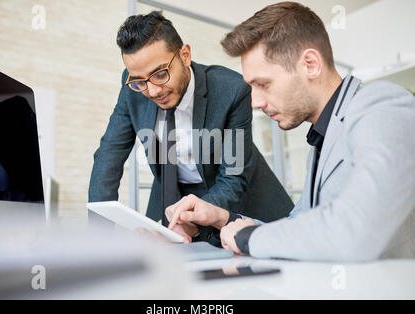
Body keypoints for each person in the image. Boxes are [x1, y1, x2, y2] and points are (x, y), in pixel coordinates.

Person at [166, 2, 415, 261]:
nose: (255, 102)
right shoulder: (321, 144)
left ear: (310, 64)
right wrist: (224, 218)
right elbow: (298, 230)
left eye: (263, 84)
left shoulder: (381, 105)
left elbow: (357, 228)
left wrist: (246, 238)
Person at [88, 11, 293, 246]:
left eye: (161, 74)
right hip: (173, 193)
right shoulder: (133, 87)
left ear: (185, 55)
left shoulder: (231, 90)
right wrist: (97, 241)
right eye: (140, 81)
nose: (153, 91)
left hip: (241, 199)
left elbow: (233, 177)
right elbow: (108, 158)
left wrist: (195, 221)